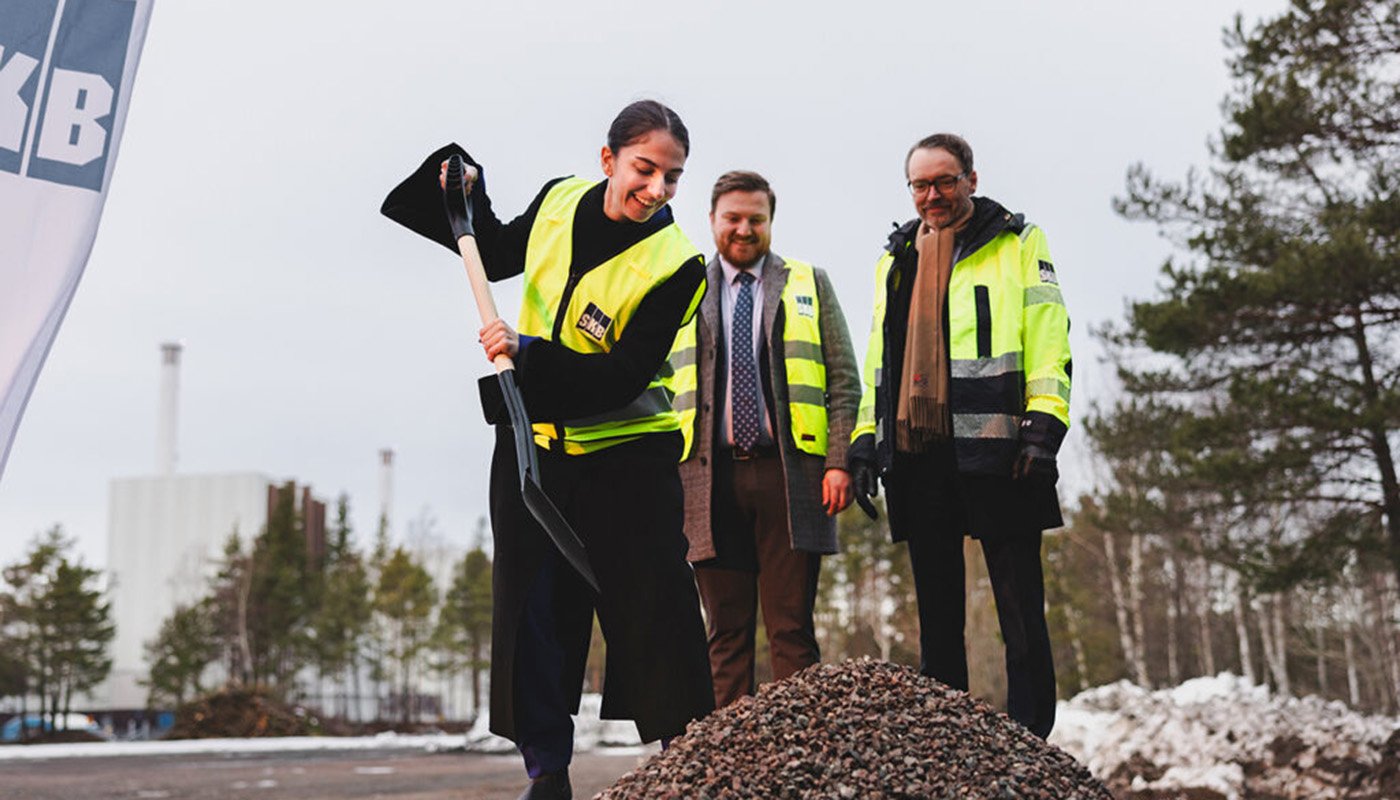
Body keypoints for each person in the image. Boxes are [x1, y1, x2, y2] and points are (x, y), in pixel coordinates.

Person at [382, 100, 714, 800]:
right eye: (644, 169)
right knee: (533, 611)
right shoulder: (562, 200)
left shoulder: (679, 264)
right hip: (534, 447)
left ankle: (690, 764)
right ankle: (547, 773)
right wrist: (468, 193)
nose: (656, 188)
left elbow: (622, 377)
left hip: (628, 458)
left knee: (652, 613)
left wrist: (528, 355)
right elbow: (498, 253)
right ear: (608, 161)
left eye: (672, 178)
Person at [848, 133, 1072, 738]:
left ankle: (1032, 737)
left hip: (1002, 445)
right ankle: (947, 737)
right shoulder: (894, 260)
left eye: (944, 181)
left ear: (972, 179)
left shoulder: (1019, 242)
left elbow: (1050, 334)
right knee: (938, 612)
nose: (933, 195)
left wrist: (1044, 427)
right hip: (918, 451)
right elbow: (881, 356)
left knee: (1020, 606)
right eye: (920, 185)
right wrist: (866, 441)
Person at [667, 170, 861, 708]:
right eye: (733, 218)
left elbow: (844, 380)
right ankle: (727, 764)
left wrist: (839, 461)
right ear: (711, 222)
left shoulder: (808, 282)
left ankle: (798, 754)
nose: (744, 229)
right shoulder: (683, 287)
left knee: (791, 628)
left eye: (756, 218)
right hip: (706, 479)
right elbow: (657, 384)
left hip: (791, 475)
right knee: (724, 634)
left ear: (771, 221)